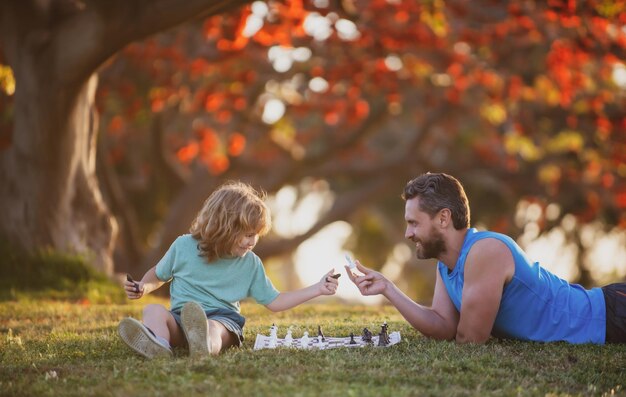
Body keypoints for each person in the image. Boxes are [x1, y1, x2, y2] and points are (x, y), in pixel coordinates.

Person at [346, 172, 626, 344]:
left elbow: (469, 340)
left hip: (612, 315)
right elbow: (444, 327)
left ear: (443, 218)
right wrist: (388, 289)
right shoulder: (447, 265)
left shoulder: (485, 251)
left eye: (414, 223)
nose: (408, 233)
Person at [118, 181, 339, 358]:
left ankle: (204, 346)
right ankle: (159, 345)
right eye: (247, 234)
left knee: (213, 328)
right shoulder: (183, 246)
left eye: (256, 235)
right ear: (224, 226)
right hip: (181, 318)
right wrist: (143, 287)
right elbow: (158, 275)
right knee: (153, 311)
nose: (252, 242)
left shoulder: (250, 263)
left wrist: (318, 288)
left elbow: (275, 301)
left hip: (222, 319)